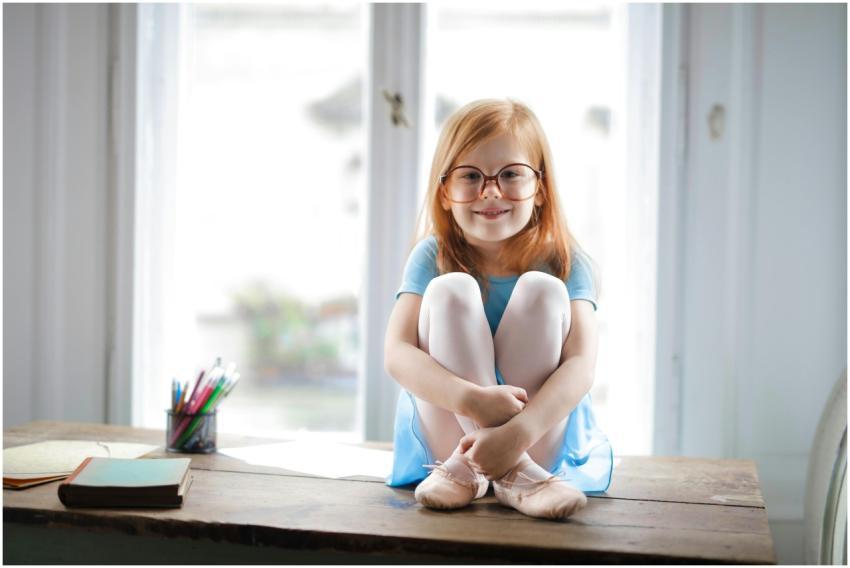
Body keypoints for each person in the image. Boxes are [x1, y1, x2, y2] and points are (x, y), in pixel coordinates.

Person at [383, 99, 613, 521]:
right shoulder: (430, 256)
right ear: (445, 192)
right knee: (450, 290)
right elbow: (397, 353)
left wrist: (519, 433)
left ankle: (504, 463)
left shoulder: (567, 261)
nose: (490, 191)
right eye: (470, 176)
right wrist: (470, 400)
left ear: (540, 188)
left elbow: (581, 366)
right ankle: (517, 476)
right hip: (449, 434)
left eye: (510, 174)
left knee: (543, 290)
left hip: (536, 433)